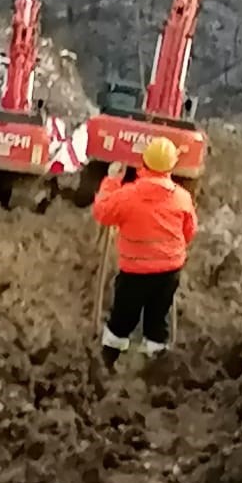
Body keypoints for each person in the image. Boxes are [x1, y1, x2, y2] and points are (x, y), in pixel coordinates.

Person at [93, 135, 197, 366]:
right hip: (169, 272)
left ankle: (107, 361)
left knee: (122, 318)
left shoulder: (128, 195)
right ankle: (156, 365)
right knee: (158, 318)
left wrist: (111, 181)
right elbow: (189, 232)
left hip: (135, 272)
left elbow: (103, 212)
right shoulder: (182, 198)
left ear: (145, 162)